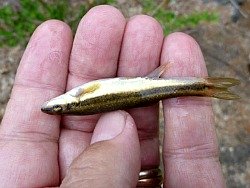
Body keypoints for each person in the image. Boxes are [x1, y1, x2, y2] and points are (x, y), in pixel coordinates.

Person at [0, 5, 226, 188]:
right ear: (67, 104)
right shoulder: (77, 99)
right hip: (140, 90)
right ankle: (203, 86)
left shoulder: (75, 99)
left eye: (57, 108)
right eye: (58, 108)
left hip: (142, 90)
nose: (53, 106)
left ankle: (204, 86)